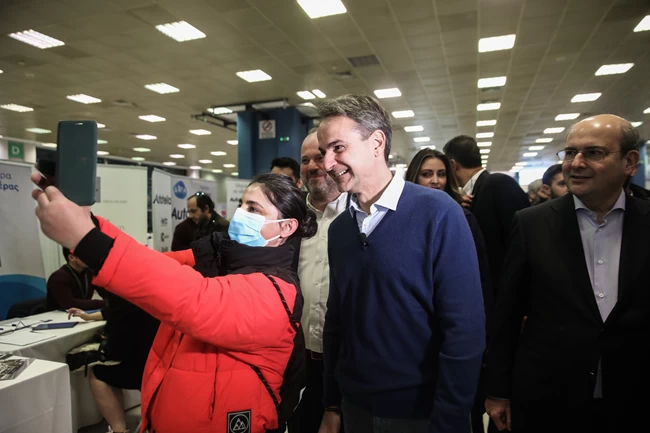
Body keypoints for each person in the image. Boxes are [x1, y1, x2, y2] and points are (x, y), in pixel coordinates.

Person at [31, 173, 318, 433]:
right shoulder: (219, 257)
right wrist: (86, 221)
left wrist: (86, 240)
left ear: (286, 227)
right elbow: (153, 264)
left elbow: (193, 298)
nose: (240, 214)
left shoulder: (278, 290)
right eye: (241, 205)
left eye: (253, 209)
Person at [317, 94, 485, 433]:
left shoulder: (438, 213)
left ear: (377, 142)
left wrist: (450, 419)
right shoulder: (340, 230)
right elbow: (337, 320)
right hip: (356, 408)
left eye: (338, 148)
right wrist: (332, 402)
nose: (327, 162)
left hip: (423, 414)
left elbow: (464, 330)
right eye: (324, 152)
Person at [484, 115, 649, 433]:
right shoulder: (532, 224)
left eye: (594, 152)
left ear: (630, 162)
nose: (576, 163)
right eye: (570, 152)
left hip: (635, 394)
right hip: (551, 396)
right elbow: (508, 314)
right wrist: (498, 390)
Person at [288, 130, 348, 433]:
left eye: (319, 157)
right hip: (298, 362)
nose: (311, 166)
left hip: (346, 365)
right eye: (304, 160)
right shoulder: (291, 220)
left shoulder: (360, 215)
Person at [405, 148, 492, 314]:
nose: (435, 181)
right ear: (414, 177)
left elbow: (480, 275)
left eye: (442, 174)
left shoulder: (463, 218)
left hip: (454, 309)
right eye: (426, 174)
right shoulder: (400, 219)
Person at [443, 135, 529, 299]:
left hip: (507, 293)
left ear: (453, 165)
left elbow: (520, 244)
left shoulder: (497, 183)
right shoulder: (476, 192)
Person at [68, 289, 159, 433]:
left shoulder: (122, 317)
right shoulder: (151, 302)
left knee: (98, 373)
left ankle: (118, 429)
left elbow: (115, 353)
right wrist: (88, 316)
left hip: (144, 371)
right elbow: (111, 312)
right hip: (162, 368)